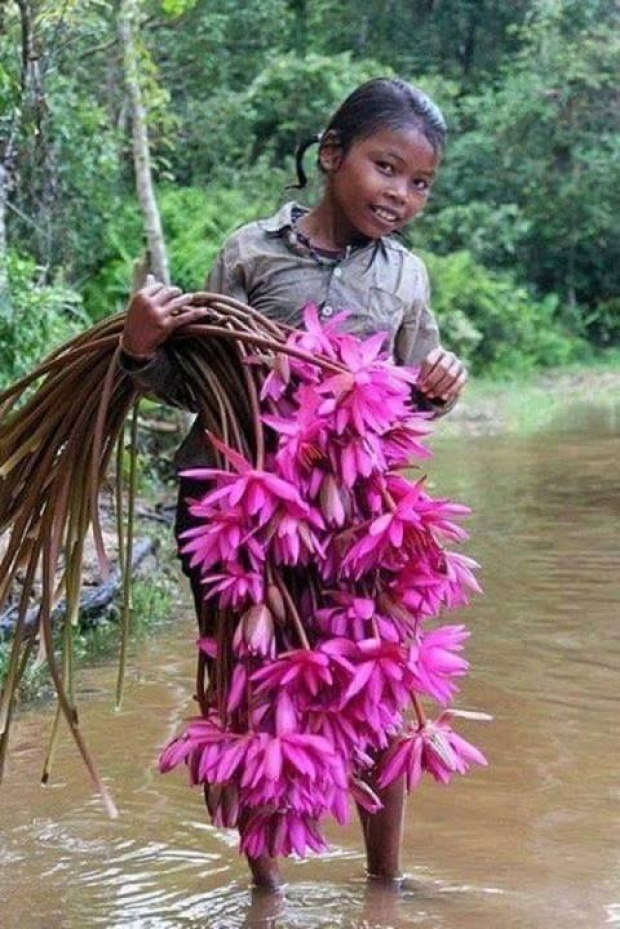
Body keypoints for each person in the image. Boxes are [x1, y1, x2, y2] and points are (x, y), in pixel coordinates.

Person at [119, 77, 467, 891]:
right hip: (238, 508)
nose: (402, 195)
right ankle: (265, 892)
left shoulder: (406, 277)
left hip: (353, 512)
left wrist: (439, 386)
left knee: (379, 682)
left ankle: (386, 882)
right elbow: (192, 380)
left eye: (420, 183)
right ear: (331, 155)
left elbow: (409, 397)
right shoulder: (251, 254)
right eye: (388, 168)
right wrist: (141, 349)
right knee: (251, 685)